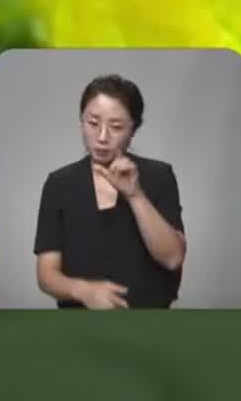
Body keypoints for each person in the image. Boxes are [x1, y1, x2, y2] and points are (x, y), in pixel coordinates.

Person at [32, 74, 188, 308]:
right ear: (81, 122)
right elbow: (46, 274)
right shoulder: (59, 184)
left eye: (116, 127)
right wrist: (83, 291)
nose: (102, 137)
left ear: (133, 130)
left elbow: (173, 258)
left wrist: (135, 194)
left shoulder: (159, 176)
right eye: (93, 123)